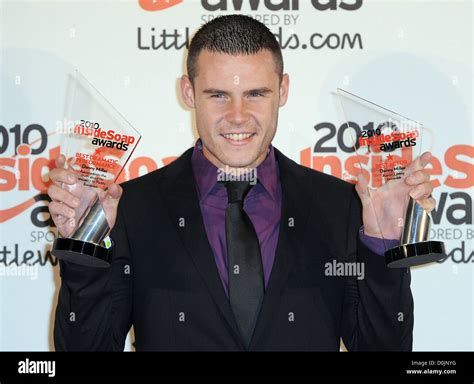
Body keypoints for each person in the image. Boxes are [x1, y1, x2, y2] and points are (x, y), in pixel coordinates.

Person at [48, 15, 435, 351]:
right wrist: (85, 248)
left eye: (256, 94)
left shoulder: (342, 207)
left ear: (282, 91)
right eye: (218, 95)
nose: (238, 116)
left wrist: (383, 245)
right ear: (188, 92)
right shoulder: (131, 209)